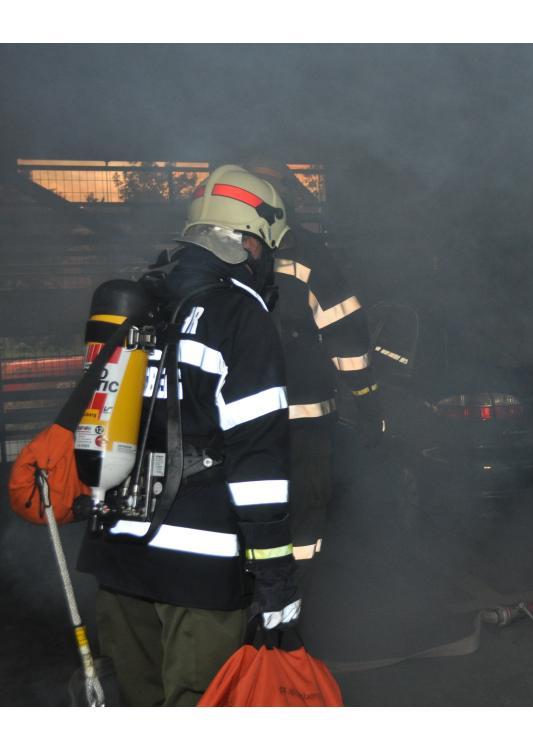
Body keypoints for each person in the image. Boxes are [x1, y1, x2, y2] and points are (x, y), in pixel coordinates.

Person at [76, 165, 300, 706]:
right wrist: (275, 576)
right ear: (251, 243)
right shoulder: (239, 315)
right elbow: (258, 461)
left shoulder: (137, 298)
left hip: (116, 556)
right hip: (198, 569)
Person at [241, 158, 384, 565]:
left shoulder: (211, 254)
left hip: (235, 426)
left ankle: (248, 592)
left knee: (246, 514)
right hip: (303, 424)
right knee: (302, 523)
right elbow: (347, 338)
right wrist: (369, 402)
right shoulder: (305, 251)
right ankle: (292, 597)